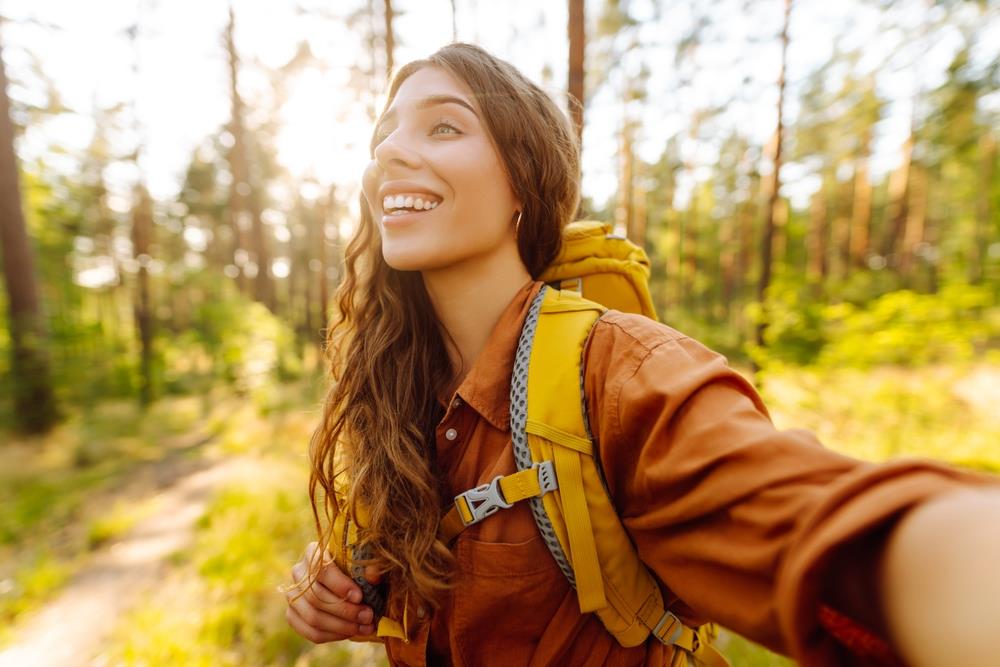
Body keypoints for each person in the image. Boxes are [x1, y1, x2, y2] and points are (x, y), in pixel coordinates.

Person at [284, 42, 1000, 666]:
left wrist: (944, 560)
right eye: (386, 132)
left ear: (523, 184)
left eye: (443, 126)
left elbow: (810, 521)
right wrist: (337, 576)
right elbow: (395, 554)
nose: (389, 152)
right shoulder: (399, 379)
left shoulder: (618, 368)